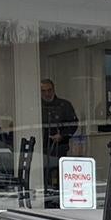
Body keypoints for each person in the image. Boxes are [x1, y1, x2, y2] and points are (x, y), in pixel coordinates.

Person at [40, 78, 80, 206]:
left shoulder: (64, 105)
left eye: (49, 90)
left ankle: (60, 201)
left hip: (60, 147)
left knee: (61, 175)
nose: (47, 93)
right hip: (41, 148)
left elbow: (73, 124)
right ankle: (46, 201)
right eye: (43, 91)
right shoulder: (36, 105)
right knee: (43, 176)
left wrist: (62, 135)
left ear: (53, 89)